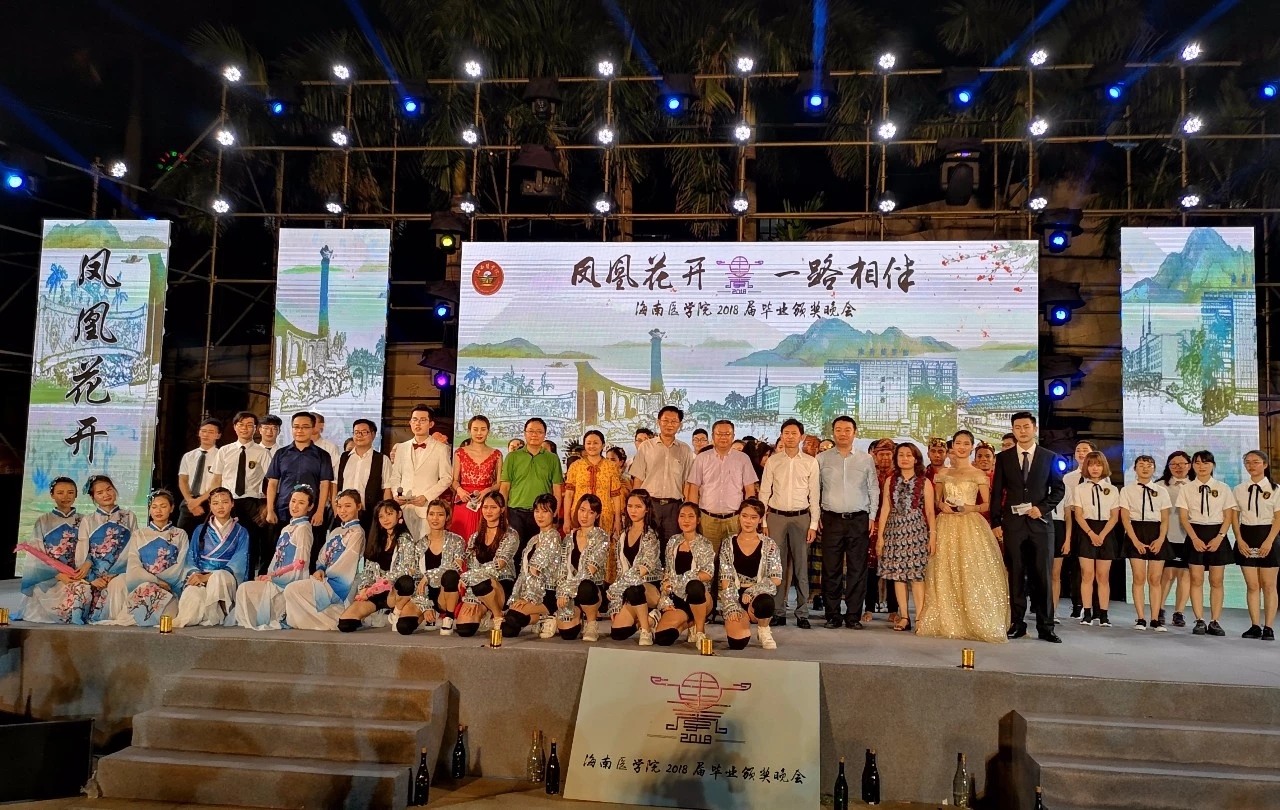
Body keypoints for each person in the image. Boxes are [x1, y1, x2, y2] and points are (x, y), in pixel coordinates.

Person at [917, 431, 1011, 643]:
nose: (961, 447)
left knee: (972, 571)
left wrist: (971, 508)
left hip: (971, 524)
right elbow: (935, 501)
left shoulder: (978, 474)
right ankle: (949, 619)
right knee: (945, 571)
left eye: (966, 443)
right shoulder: (943, 473)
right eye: (958, 443)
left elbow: (987, 504)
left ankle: (975, 618)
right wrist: (941, 505)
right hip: (946, 524)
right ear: (953, 446)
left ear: (971, 447)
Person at [991, 412, 1065, 643]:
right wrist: (996, 522)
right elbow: (997, 492)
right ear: (1013, 430)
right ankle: (1017, 624)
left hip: (1041, 525)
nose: (1022, 431)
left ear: (1035, 428)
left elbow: (1058, 490)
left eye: (1026, 426)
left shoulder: (1049, 457)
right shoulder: (1003, 458)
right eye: (1017, 427)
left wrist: (1041, 508)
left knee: (1043, 576)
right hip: (1013, 525)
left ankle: (1046, 627)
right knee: (1015, 575)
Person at [816, 416, 880, 629]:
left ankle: (853, 615)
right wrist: (817, 517)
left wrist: (872, 516)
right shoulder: (822, 458)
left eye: (847, 430)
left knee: (857, 569)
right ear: (833, 432)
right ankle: (832, 615)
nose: (842, 433)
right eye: (838, 429)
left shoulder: (865, 459)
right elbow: (815, 490)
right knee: (831, 569)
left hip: (859, 519)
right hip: (831, 519)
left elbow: (873, 488)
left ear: (855, 432)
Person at [758, 418, 820, 629]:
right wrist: (763, 521)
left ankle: (802, 613)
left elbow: (815, 496)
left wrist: (813, 525)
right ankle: (778, 611)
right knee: (777, 567)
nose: (790, 437)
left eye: (794, 433)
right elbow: (764, 493)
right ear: (781, 436)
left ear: (801, 437)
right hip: (776, 517)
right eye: (786, 433)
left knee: (801, 567)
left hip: (801, 517)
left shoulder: (810, 462)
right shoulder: (774, 461)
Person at [282, 490, 367, 631]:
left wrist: (327, 575)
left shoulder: (358, 533)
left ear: (358, 506)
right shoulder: (336, 531)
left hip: (342, 581)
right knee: (292, 590)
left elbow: (348, 563)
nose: (342, 510)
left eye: (348, 506)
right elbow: (323, 555)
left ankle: (329, 621)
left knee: (293, 589)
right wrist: (320, 569)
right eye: (339, 506)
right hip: (326, 577)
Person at [1176, 450, 1238, 636]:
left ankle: (1215, 621)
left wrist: (1220, 537)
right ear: (1193, 466)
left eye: (1206, 463)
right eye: (1197, 463)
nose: (1201, 466)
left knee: (1216, 580)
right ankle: (1199, 620)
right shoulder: (1186, 488)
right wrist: (1194, 538)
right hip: (1195, 533)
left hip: (1217, 534)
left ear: (1213, 465)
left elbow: (1228, 516)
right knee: (1196, 579)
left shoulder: (1223, 487)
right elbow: (1183, 517)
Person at [236, 485, 316, 629]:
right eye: (293, 501)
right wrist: (269, 575)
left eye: (301, 503)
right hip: (277, 579)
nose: (295, 506)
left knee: (246, 589)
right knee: (244, 588)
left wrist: (274, 577)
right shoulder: (287, 528)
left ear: (310, 507)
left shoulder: (303, 529)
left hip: (288, 584)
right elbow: (277, 558)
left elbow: (300, 563)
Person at [105, 490, 189, 627]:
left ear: (172, 508)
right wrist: (155, 581)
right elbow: (134, 565)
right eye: (154, 507)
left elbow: (181, 564)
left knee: (166, 619)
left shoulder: (180, 534)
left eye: (163, 506)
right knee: (141, 593)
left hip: (170, 587)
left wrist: (164, 583)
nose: (158, 510)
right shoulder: (139, 534)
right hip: (143, 585)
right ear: (149, 509)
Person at [876, 443, 936, 631]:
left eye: (909, 455)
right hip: (894, 530)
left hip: (916, 531)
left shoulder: (924, 482)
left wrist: (932, 536)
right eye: (901, 455)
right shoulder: (891, 480)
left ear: (916, 458)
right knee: (898, 575)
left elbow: (930, 511)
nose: (904, 458)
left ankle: (919, 618)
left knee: (917, 577)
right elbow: (885, 508)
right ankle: (904, 617)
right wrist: (880, 537)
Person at [16, 477, 89, 623]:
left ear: (76, 495)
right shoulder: (43, 521)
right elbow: (36, 554)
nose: (65, 496)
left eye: (70, 492)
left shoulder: (84, 520)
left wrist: (84, 567)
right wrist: (58, 575)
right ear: (52, 495)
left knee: (83, 590)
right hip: (49, 577)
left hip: (78, 575)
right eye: (60, 492)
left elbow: (92, 550)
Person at [338, 500, 418, 632]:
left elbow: (406, 568)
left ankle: (396, 612)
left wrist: (381, 584)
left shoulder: (405, 538)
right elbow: (368, 569)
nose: (385, 519)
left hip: (394, 591)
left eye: (389, 514)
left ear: (399, 514)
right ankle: (373, 615)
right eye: (381, 516)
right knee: (345, 624)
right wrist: (365, 587)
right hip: (375, 592)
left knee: (406, 582)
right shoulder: (377, 539)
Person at [175, 488, 249, 627]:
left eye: (225, 502)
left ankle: (221, 613)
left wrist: (210, 576)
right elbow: (191, 557)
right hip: (201, 574)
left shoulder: (241, 532)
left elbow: (239, 561)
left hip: (226, 577)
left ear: (232, 503)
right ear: (210, 506)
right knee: (193, 594)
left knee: (219, 577)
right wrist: (196, 574)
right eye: (215, 503)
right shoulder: (200, 530)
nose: (220, 506)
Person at [210, 411, 271, 576]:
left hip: (252, 503)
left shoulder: (262, 452)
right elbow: (216, 479)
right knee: (226, 540)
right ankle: (223, 577)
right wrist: (213, 503)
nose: (245, 428)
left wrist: (267, 505)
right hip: (227, 502)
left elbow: (271, 481)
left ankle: (248, 579)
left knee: (251, 543)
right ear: (235, 427)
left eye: (250, 425)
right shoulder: (224, 450)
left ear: (255, 428)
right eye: (241, 424)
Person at [719, 498, 783, 650]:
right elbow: (725, 580)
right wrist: (731, 605)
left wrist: (752, 591)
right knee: (737, 644)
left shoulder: (769, 544)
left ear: (760, 520)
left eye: (753, 517)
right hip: (735, 595)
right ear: (739, 516)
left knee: (766, 602)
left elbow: (776, 579)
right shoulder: (728, 543)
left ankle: (764, 629)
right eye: (745, 516)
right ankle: (743, 617)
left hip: (758, 596)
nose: (748, 521)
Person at [686, 420, 758, 552]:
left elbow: (749, 489)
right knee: (708, 558)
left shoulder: (743, 459)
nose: (723, 437)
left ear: (733, 436)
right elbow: (694, 488)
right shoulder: (702, 458)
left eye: (727, 434)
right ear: (713, 436)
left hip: (734, 519)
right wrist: (693, 516)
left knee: (733, 557)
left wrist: (748, 515)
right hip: (707, 519)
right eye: (719, 434)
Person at [1119, 456, 1172, 631]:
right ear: (1135, 468)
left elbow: (1165, 519)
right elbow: (1125, 518)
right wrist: (1135, 541)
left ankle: (1155, 619)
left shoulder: (1161, 491)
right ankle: (1141, 618)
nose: (1145, 468)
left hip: (1156, 533)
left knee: (1155, 578)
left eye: (1149, 465)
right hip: (1135, 532)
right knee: (1139, 577)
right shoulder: (1127, 490)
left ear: (1154, 469)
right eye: (1141, 465)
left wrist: (1161, 539)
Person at [456, 492, 520, 637]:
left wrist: (471, 576)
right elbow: (468, 562)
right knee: (464, 629)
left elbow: (499, 564)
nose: (488, 511)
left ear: (502, 509)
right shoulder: (475, 536)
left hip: (500, 582)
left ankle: (497, 614)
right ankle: (485, 611)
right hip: (477, 585)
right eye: (485, 507)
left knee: (482, 583)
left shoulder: (511, 534)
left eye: (493, 507)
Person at [501, 494, 565, 639]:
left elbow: (536, 572)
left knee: (512, 619)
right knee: (508, 629)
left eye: (545, 511)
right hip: (529, 593)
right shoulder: (534, 540)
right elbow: (524, 574)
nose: (540, 516)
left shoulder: (553, 537)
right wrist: (517, 597)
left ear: (554, 513)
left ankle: (550, 614)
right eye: (537, 511)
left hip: (546, 594)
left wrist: (527, 599)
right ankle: (541, 618)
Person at [499, 418, 565, 558]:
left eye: (539, 431)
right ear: (524, 433)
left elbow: (557, 490)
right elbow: (504, 488)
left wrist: (554, 515)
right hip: (515, 512)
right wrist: (502, 513)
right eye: (531, 431)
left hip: (542, 513)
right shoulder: (512, 457)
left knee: (538, 554)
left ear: (545, 434)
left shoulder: (552, 458)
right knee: (515, 553)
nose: (534, 435)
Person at [629, 406, 694, 546]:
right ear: (658, 422)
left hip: (674, 507)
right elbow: (638, 479)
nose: (669, 424)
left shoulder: (685, 450)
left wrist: (686, 508)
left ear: (679, 424)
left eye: (674, 421)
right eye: (665, 420)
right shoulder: (646, 447)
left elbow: (687, 482)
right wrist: (636, 505)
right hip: (650, 505)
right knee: (647, 545)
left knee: (672, 546)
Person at [387, 404, 454, 541]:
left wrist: (427, 496)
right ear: (410, 422)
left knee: (424, 546)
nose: (418, 423)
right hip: (403, 507)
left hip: (426, 508)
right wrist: (396, 494)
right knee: (402, 545)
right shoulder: (401, 447)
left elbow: (446, 478)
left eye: (422, 420)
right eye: (415, 420)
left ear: (431, 424)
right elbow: (395, 476)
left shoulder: (441, 448)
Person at [653, 502, 716, 647]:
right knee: (662, 638)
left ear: (698, 520)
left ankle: (700, 631)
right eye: (682, 516)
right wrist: (665, 598)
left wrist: (681, 580)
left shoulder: (704, 544)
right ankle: (689, 624)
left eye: (690, 516)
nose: (686, 520)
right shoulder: (673, 541)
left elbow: (708, 574)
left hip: (699, 597)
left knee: (694, 586)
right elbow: (668, 573)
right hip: (677, 597)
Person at [607, 490, 664, 646]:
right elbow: (620, 571)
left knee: (634, 588)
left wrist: (617, 588)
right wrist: (616, 603)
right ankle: (650, 618)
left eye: (638, 507)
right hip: (628, 588)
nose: (633, 510)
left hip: (649, 587)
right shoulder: (623, 535)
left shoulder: (651, 535)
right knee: (618, 633)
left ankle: (646, 630)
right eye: (630, 506)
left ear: (646, 509)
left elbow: (644, 567)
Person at [1233, 450, 1279, 640]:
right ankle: (1254, 625)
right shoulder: (1239, 489)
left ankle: (1268, 627)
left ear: (1265, 465)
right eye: (1248, 462)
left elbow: (1278, 518)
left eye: (1256, 462)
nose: (1251, 465)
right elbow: (1234, 517)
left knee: (1268, 585)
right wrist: (1239, 539)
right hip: (1247, 535)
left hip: (1269, 535)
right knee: (1252, 585)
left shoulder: (1276, 489)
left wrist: (1269, 541)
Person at [402, 499, 466, 635]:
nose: (435, 518)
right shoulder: (419, 544)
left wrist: (429, 576)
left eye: (440, 514)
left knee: (451, 575)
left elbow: (457, 566)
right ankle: (430, 615)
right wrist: (426, 606)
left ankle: (448, 617)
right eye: (431, 514)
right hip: (424, 594)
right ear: (427, 516)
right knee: (404, 627)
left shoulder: (456, 540)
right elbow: (415, 576)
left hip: (445, 593)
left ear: (447, 517)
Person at [1072, 451, 1121, 628]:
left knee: (1103, 576)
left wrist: (1101, 535)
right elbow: (1078, 515)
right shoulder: (1080, 489)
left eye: (1098, 465)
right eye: (1091, 464)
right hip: (1086, 531)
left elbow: (1115, 516)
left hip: (1106, 532)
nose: (1095, 468)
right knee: (1087, 575)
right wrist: (1091, 533)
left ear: (1104, 467)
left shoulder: (1113, 489)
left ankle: (1103, 615)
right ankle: (1086, 613)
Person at [79, 475, 137, 623]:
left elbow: (134, 548)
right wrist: (92, 579)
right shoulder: (88, 520)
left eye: (109, 489)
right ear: (93, 497)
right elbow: (83, 553)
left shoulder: (129, 516)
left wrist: (118, 572)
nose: (106, 494)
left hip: (122, 572)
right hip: (98, 576)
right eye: (100, 493)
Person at [264, 412, 334, 531]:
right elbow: (272, 483)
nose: (300, 430)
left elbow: (324, 485)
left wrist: (320, 511)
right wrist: (270, 510)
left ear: (313, 429)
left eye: (305, 427)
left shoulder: (323, 455)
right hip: (283, 510)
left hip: (311, 512)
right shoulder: (281, 453)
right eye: (296, 427)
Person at [555, 494, 611, 641]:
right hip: (570, 591)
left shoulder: (601, 537)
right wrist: (562, 591)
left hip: (591, 588)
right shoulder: (569, 538)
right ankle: (575, 615)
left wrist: (567, 590)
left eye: (590, 512)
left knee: (585, 587)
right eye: (582, 510)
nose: (585, 516)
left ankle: (591, 623)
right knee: (568, 634)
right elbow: (562, 568)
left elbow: (589, 570)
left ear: (597, 515)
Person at [1053, 440, 1095, 621]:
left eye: (1085, 450)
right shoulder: (1068, 478)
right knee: (1071, 567)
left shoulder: (1102, 479)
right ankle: (1076, 604)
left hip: (1092, 524)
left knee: (1090, 567)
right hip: (1067, 523)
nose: (1081, 453)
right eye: (1078, 450)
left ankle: (1091, 606)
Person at [1156, 451, 1196, 627]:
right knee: (1167, 574)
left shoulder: (1196, 485)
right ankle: (1159, 609)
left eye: (1183, 464)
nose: (1179, 467)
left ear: (1189, 465)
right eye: (1174, 464)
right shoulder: (1159, 486)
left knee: (1185, 575)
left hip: (1190, 537)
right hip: (1167, 536)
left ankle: (1179, 612)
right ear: (1168, 466)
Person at [333, 418, 390, 537]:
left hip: (370, 513)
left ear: (373, 435)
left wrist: (385, 512)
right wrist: (335, 507)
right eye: (356, 432)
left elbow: (387, 489)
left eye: (364, 432)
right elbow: (335, 484)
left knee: (369, 545)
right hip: (344, 514)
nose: (359, 435)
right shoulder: (343, 457)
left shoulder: (382, 459)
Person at [451, 415, 503, 543]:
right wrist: (460, 490)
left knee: (483, 538)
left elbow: (499, 483)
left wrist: (487, 490)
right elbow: (454, 481)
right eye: (475, 429)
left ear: (488, 431)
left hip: (486, 502)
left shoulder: (496, 454)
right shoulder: (460, 453)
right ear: (469, 431)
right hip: (465, 500)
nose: (479, 433)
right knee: (461, 539)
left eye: (483, 429)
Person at [564, 430, 625, 538]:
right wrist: (566, 519)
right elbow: (568, 495)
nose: (592, 446)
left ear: (603, 445)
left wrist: (617, 520)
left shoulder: (611, 467)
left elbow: (616, 496)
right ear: (584, 445)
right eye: (588, 443)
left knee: (602, 545)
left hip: (604, 515)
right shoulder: (575, 466)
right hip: (580, 515)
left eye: (595, 443)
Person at [177, 418, 222, 536]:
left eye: (211, 432)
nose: (206, 435)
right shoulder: (188, 456)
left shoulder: (221, 456)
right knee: (182, 537)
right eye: (203, 431)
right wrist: (190, 502)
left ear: (218, 435)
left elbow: (217, 483)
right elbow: (183, 480)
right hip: (189, 502)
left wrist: (199, 501)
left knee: (207, 539)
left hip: (210, 502)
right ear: (199, 433)